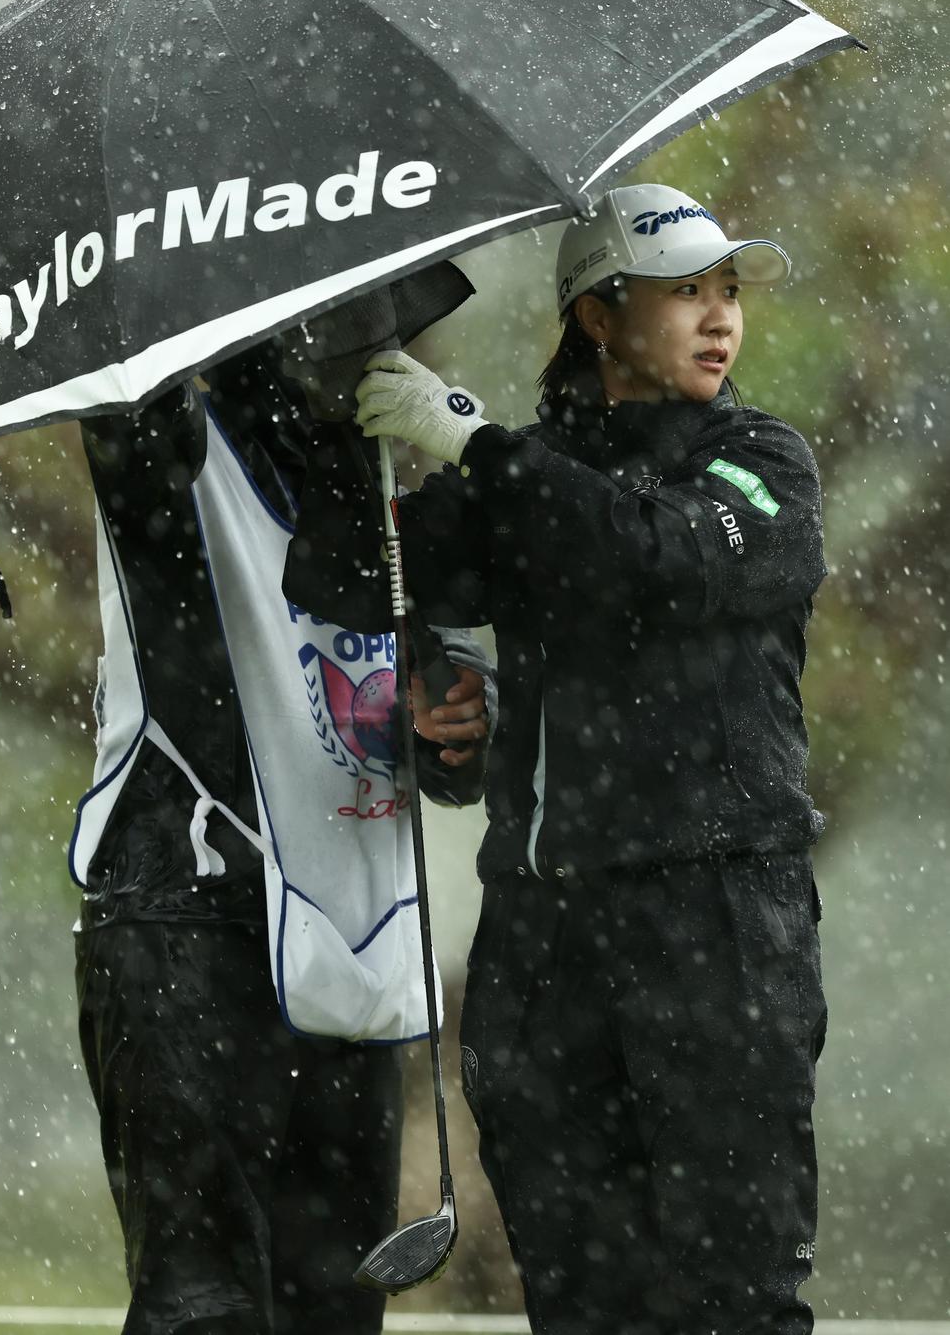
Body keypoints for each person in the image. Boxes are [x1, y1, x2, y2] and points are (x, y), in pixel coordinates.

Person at [291, 183, 829, 1334]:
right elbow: (332, 574)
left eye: (726, 290)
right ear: (598, 316)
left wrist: (470, 441)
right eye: (685, 290)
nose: (719, 317)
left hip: (719, 925)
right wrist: (436, 679)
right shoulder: (520, 480)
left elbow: (654, 556)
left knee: (735, 1300)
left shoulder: (761, 465)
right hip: (545, 941)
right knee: (580, 1301)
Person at [70, 265, 493, 1335]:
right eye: (345, 332)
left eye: (383, 329)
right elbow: (124, 403)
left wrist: (452, 728)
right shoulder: (176, 444)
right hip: (185, 924)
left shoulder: (383, 503)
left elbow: (421, 728)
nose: (375, 353)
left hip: (342, 953)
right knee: (204, 1310)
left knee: (331, 1317)